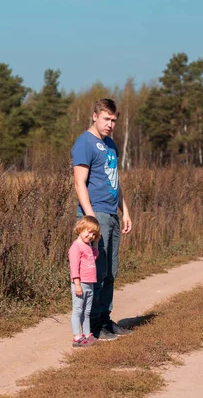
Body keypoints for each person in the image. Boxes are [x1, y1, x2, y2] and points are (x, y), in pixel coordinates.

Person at [71, 98, 132, 340]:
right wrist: (90, 217)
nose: (110, 124)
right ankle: (93, 325)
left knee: (110, 271)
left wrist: (124, 211)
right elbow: (79, 183)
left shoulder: (111, 145)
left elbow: (115, 182)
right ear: (94, 116)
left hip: (112, 214)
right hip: (95, 214)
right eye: (106, 119)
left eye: (113, 120)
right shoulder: (84, 143)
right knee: (93, 272)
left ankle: (105, 320)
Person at [69, 216, 101, 347]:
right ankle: (77, 337)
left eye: (94, 234)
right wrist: (77, 284)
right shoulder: (76, 247)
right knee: (78, 311)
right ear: (80, 228)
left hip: (90, 284)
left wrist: (96, 242)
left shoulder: (88, 247)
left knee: (87, 312)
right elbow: (74, 268)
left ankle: (87, 335)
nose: (91, 235)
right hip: (80, 284)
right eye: (88, 231)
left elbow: (94, 255)